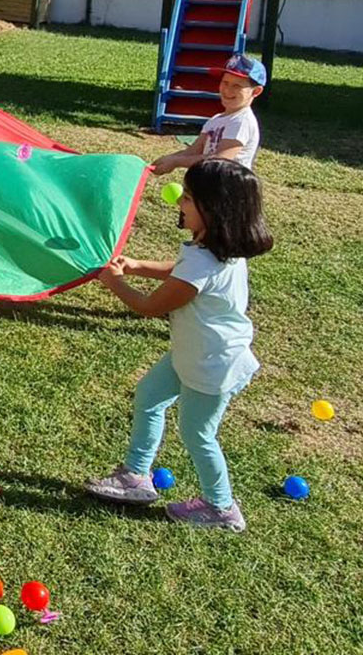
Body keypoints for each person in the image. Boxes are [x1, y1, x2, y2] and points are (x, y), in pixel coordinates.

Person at [85, 159, 272, 530]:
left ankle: (221, 508)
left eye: (187, 197)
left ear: (214, 209)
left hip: (212, 364)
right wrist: (136, 265)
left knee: (197, 434)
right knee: (149, 395)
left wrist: (113, 282)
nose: (179, 203)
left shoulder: (205, 263)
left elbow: (150, 307)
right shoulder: (212, 250)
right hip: (193, 352)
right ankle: (135, 475)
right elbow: (180, 270)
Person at [152, 53, 265, 173]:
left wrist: (176, 162)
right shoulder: (216, 119)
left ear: (256, 91)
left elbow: (220, 160)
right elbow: (193, 151)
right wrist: (169, 159)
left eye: (237, 86)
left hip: (229, 183)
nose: (228, 90)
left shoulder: (242, 122)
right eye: (225, 82)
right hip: (209, 180)